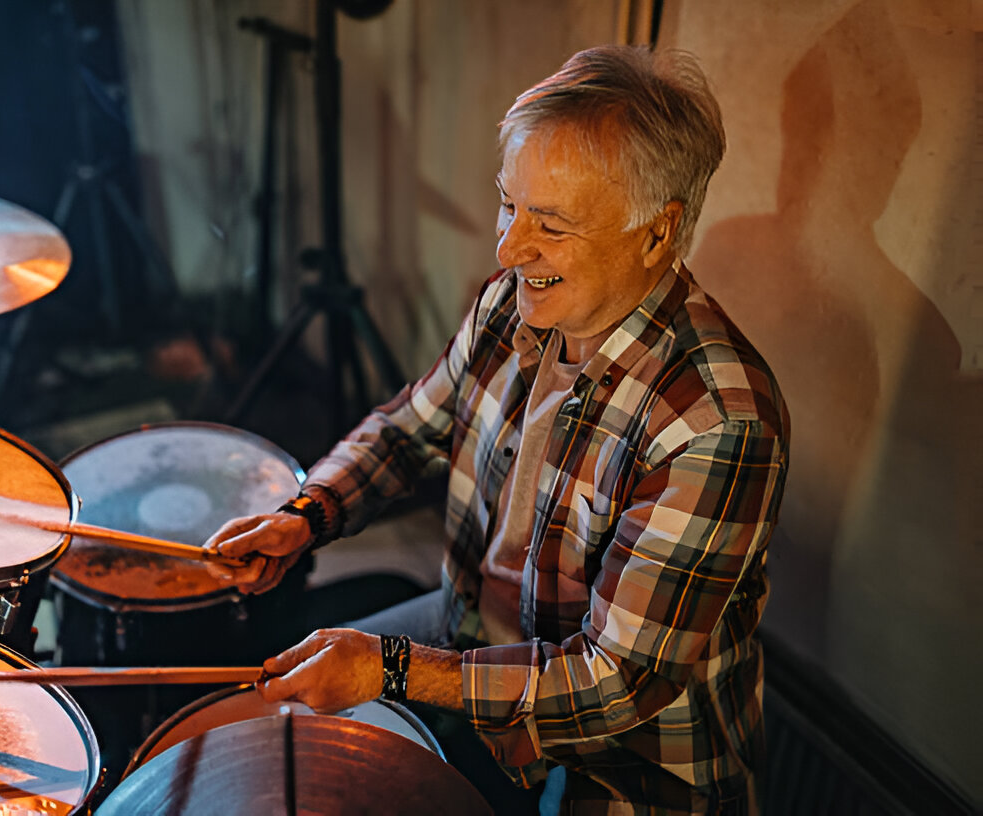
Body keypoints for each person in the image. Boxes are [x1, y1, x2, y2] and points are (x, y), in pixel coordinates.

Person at [204, 44, 789, 815]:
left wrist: (393, 670)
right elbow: (409, 428)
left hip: (626, 758)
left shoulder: (718, 423)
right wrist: (305, 514)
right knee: (273, 723)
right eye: (509, 203)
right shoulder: (515, 300)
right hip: (472, 627)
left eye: (549, 223)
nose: (509, 249)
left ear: (658, 232)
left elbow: (616, 685)